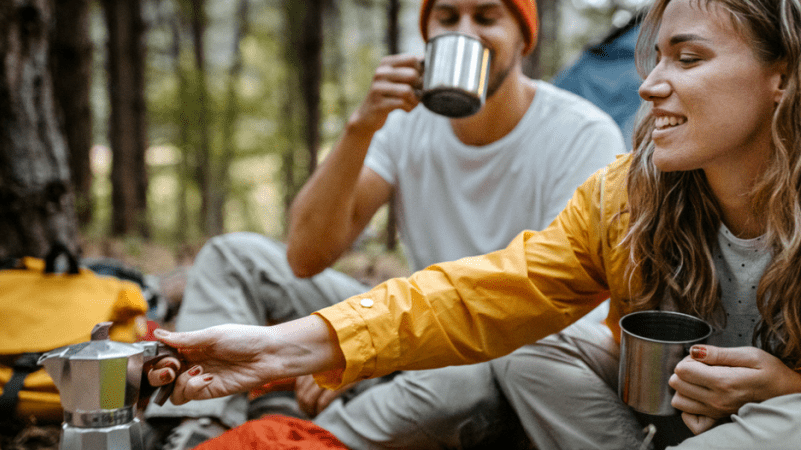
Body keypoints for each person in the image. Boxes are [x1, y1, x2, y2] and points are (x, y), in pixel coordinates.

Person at [148, 0, 801, 449]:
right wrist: (280, 348)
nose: (651, 87)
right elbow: (480, 293)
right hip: (675, 431)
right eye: (656, 58)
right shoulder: (631, 201)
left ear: (787, 77)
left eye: (689, 59)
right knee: (529, 344)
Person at [144, 0, 626, 448]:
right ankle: (199, 425)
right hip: (402, 318)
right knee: (235, 257)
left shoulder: (580, 133)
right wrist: (361, 127)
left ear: (524, 38)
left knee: (464, 379)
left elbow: (559, 316)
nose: (465, 32)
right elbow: (305, 256)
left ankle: (294, 434)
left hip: (495, 349)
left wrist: (360, 353)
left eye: (486, 17)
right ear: (427, 33)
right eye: (447, 17)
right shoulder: (407, 122)